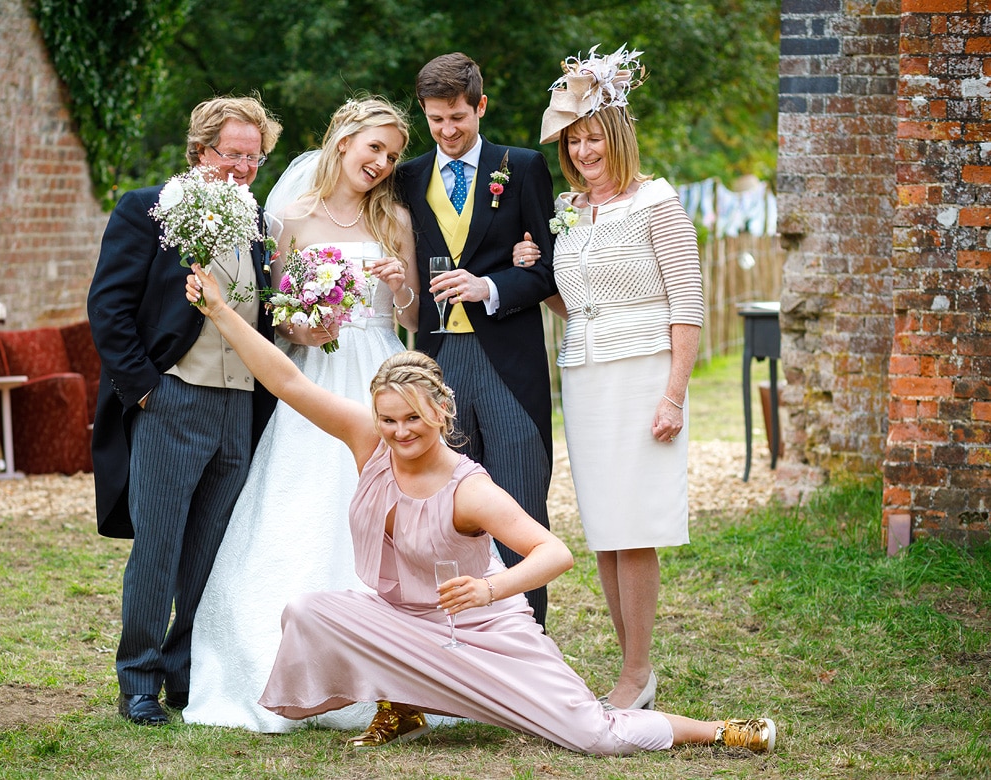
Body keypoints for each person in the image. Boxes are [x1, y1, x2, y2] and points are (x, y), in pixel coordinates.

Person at [181, 264, 776, 756]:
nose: (399, 432)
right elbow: (287, 380)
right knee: (308, 609)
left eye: (413, 418)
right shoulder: (369, 441)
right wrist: (218, 309)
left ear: (441, 411)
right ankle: (403, 702)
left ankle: (725, 731)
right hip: (401, 622)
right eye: (389, 420)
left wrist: (491, 591)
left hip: (481, 632)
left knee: (592, 734)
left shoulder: (468, 488)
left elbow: (555, 552)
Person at [183, 97, 421, 732]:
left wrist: (399, 286)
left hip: (379, 374)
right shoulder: (286, 217)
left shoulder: (394, 217)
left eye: (392, 156)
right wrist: (306, 324)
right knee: (299, 501)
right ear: (343, 140)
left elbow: (415, 319)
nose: (381, 162)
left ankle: (386, 675)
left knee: (382, 512)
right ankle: (269, 663)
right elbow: (278, 318)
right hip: (313, 376)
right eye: (374, 147)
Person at [512, 44, 704, 711]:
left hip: (646, 370)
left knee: (635, 524)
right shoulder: (568, 210)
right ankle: (634, 674)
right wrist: (536, 268)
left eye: (594, 138)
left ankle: (636, 670)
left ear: (616, 136)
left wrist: (674, 395)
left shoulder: (657, 202)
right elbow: (572, 298)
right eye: (574, 141)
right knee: (603, 528)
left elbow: (688, 304)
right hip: (585, 375)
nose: (584, 151)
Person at [87, 95, 282, 726]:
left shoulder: (257, 225)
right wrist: (146, 388)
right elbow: (108, 308)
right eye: (233, 154)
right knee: (160, 546)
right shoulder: (146, 208)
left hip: (241, 409)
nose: (244, 169)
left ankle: (185, 672)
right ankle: (138, 679)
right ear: (200, 150)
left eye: (254, 158)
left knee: (212, 551)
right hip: (173, 399)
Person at [396, 52, 558, 629]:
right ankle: (454, 653)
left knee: (518, 505)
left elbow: (548, 271)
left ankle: (530, 648)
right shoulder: (407, 179)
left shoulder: (524, 167)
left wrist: (490, 283)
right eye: (437, 120)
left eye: (458, 117)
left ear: (480, 106)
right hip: (437, 364)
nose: (448, 130)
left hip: (509, 364)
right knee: (444, 514)